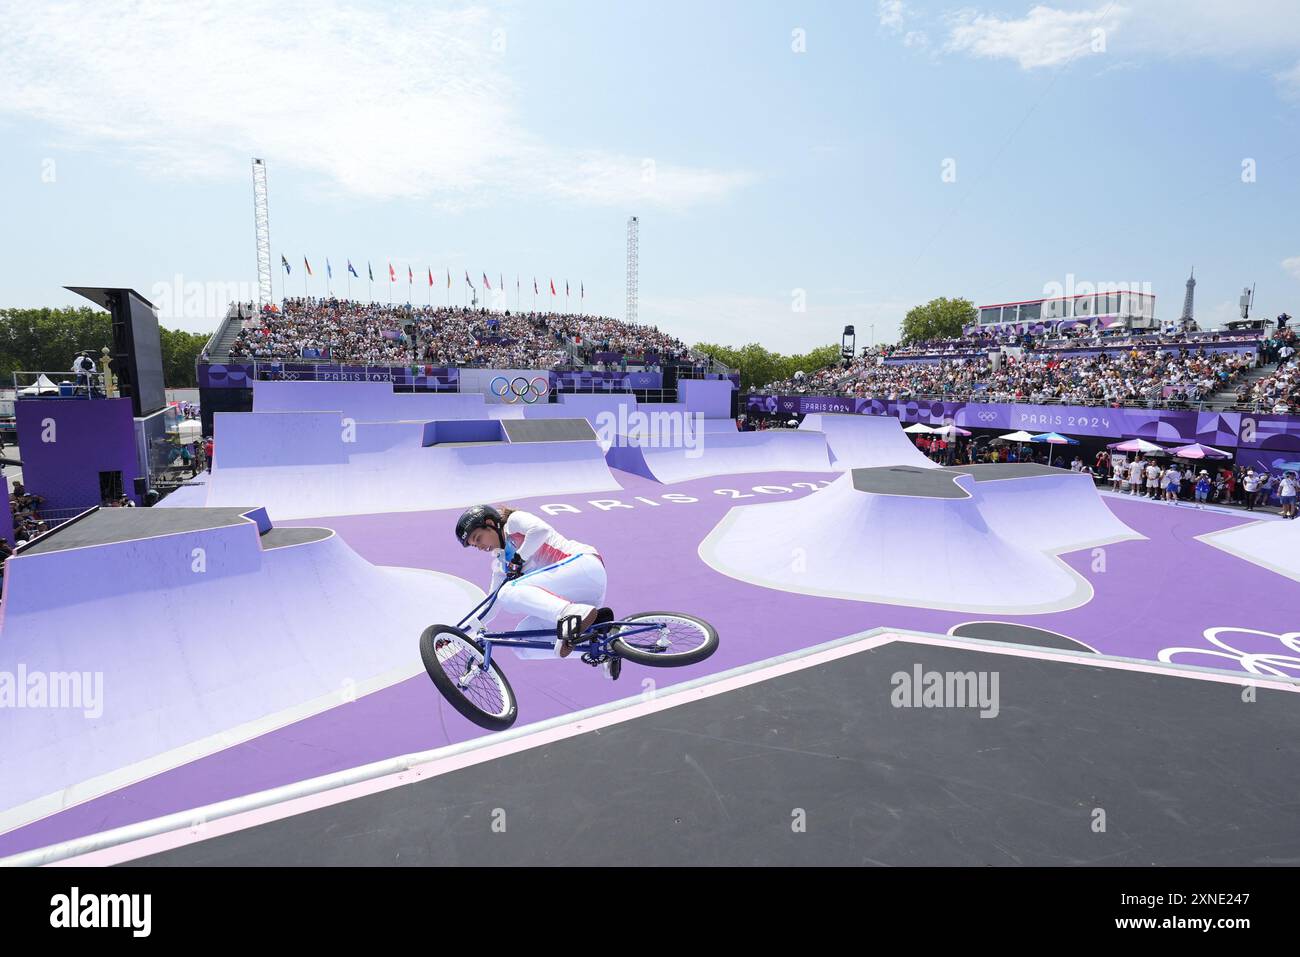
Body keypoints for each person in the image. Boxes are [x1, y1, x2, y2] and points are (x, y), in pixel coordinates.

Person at [455, 505, 617, 675]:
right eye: (475, 545)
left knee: (507, 591)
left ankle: (569, 613)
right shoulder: (502, 566)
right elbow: (490, 607)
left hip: (584, 568)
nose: (479, 546)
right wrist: (458, 631)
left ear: (490, 523)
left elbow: (541, 530)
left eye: (478, 538)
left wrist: (519, 558)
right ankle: (601, 647)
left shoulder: (513, 522)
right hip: (581, 597)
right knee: (520, 643)